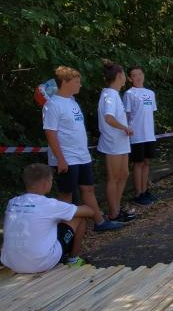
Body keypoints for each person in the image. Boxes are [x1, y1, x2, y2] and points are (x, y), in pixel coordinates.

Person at [43, 66, 123, 232]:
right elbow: (50, 134)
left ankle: (100, 222)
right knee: (66, 194)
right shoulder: (52, 105)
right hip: (66, 158)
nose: (80, 85)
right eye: (77, 82)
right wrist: (61, 159)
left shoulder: (72, 101)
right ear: (65, 82)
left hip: (82, 155)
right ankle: (62, 233)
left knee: (88, 189)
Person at [1, 164, 95, 272]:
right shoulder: (49, 205)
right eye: (51, 180)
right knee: (78, 217)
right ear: (45, 183)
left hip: (11, 262)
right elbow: (90, 212)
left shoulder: (12, 202)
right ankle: (73, 260)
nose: (52, 182)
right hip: (40, 264)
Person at [98, 60, 135, 223]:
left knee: (124, 174)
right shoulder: (110, 95)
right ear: (119, 76)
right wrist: (124, 127)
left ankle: (117, 208)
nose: (125, 78)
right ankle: (113, 213)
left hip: (120, 141)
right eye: (124, 75)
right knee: (114, 177)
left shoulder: (113, 94)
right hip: (113, 141)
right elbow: (108, 117)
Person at [123, 66, 158, 205]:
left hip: (149, 134)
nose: (137, 77)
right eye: (134, 75)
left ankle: (145, 190)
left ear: (143, 75)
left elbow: (150, 114)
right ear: (130, 78)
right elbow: (126, 115)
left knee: (147, 162)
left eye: (139, 74)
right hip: (136, 135)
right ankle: (138, 193)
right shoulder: (129, 94)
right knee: (138, 163)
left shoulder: (150, 93)